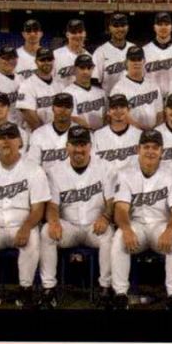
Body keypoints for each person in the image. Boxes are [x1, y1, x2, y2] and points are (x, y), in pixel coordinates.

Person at [0, 122, 50, 309]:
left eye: (11, 137)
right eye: (2, 138)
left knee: (33, 238)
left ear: (20, 141)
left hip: (23, 224)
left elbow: (38, 208)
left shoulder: (34, 169)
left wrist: (27, 227)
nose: (6, 141)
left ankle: (26, 289)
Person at [39, 125, 115, 308]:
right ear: (67, 146)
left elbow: (111, 201)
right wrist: (54, 222)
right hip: (69, 227)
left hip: (95, 226)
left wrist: (106, 217)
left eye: (83, 144)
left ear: (90, 146)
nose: (79, 149)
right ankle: (49, 289)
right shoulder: (55, 171)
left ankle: (105, 288)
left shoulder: (105, 167)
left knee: (109, 236)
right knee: (46, 232)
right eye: (74, 144)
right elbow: (52, 205)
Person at [110, 129, 172, 310]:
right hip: (136, 226)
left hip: (161, 226)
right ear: (138, 149)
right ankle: (120, 294)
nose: (150, 151)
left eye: (155, 147)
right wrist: (126, 229)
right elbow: (120, 209)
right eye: (146, 147)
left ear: (162, 151)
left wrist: (170, 230)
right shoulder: (125, 174)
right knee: (119, 237)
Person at [109, 46, 164, 131]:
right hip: (131, 133)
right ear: (126, 62)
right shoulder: (118, 89)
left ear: (144, 61)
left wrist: (155, 131)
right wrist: (141, 131)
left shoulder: (153, 85)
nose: (136, 62)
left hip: (154, 134)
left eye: (139, 59)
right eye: (133, 59)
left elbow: (160, 114)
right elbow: (120, 116)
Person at [27, 93, 77, 173]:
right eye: (59, 106)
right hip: (45, 180)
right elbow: (33, 167)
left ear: (72, 109)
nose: (63, 110)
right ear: (53, 108)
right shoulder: (38, 134)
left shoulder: (81, 133)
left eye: (67, 106)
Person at [16, 47, 63, 131]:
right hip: (36, 134)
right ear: (36, 62)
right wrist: (45, 134)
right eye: (42, 60)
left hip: (57, 132)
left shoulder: (60, 84)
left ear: (53, 61)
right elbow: (30, 117)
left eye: (49, 59)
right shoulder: (27, 85)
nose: (46, 62)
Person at [143, 11, 172, 97]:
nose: (163, 27)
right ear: (154, 27)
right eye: (160, 24)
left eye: (166, 24)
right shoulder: (144, 51)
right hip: (153, 99)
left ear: (171, 27)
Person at [92, 12, 134, 94]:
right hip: (109, 99)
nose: (120, 29)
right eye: (116, 26)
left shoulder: (134, 48)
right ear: (110, 28)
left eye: (123, 25)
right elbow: (94, 81)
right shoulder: (100, 52)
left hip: (132, 98)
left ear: (127, 27)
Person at [66, 53, 108, 130]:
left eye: (89, 68)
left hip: (100, 134)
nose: (86, 71)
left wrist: (102, 133)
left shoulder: (101, 92)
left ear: (93, 69)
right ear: (75, 69)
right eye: (82, 68)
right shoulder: (68, 93)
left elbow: (106, 116)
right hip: (80, 135)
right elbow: (73, 118)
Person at [53, 18, 90, 87]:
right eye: (74, 32)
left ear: (85, 34)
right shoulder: (55, 55)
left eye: (80, 32)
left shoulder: (90, 57)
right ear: (67, 34)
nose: (77, 35)